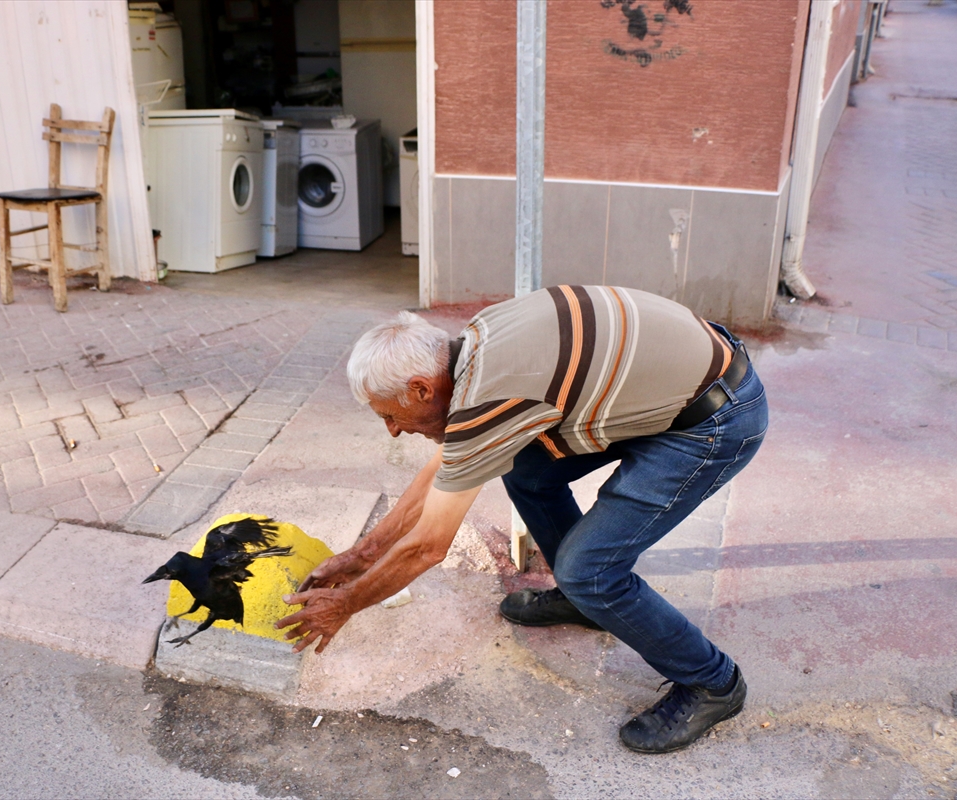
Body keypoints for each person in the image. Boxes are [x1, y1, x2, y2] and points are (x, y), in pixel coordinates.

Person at [276, 285, 769, 754]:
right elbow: (449, 466)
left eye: (390, 415)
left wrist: (345, 605)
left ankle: (712, 682)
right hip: (675, 388)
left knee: (590, 570)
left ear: (423, 388)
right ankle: (586, 604)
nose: (393, 431)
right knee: (528, 472)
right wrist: (363, 555)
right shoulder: (472, 343)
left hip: (713, 420)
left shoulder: (485, 400)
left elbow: (429, 545)